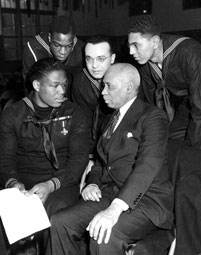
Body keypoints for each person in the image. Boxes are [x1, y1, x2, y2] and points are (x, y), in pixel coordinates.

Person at [128, 15, 201, 254]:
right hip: (190, 104)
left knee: (194, 168)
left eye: (136, 45)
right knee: (166, 148)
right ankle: (171, 222)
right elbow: (151, 108)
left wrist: (191, 154)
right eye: (129, 45)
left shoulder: (189, 51)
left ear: (155, 41)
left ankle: (196, 240)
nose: (131, 51)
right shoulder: (146, 66)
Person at [46, 63, 174, 255]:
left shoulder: (152, 117)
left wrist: (115, 209)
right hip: (109, 193)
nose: (103, 92)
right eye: (102, 86)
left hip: (145, 201)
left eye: (109, 86)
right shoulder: (111, 118)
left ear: (129, 87)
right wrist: (92, 183)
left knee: (104, 235)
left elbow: (147, 165)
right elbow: (101, 162)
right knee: (60, 222)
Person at [0, 58, 90, 255]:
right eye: (55, 86)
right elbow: (4, 160)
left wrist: (51, 184)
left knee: (57, 211)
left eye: (64, 85)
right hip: (23, 182)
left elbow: (78, 161)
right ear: (37, 85)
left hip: (60, 182)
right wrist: (13, 183)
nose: (62, 92)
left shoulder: (75, 114)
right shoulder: (14, 114)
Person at [71, 35, 116, 154]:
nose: (94, 65)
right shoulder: (80, 80)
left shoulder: (125, 76)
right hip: (92, 140)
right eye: (89, 59)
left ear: (112, 58)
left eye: (101, 59)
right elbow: (83, 120)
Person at [22, 16, 84, 88]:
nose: (63, 52)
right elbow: (29, 89)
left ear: (73, 40)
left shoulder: (81, 49)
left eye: (68, 46)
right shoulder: (34, 49)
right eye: (57, 45)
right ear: (49, 38)